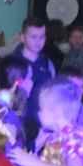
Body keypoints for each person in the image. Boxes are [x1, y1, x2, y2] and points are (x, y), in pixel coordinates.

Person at [12, 17, 56, 148]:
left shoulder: (47, 63)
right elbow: (5, 100)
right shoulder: (12, 63)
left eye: (42, 37)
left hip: (43, 127)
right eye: (33, 37)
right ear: (22, 37)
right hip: (19, 127)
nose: (38, 42)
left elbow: (53, 95)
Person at [62, 25, 83, 104]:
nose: (77, 40)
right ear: (70, 39)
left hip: (80, 91)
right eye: (74, 37)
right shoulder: (68, 53)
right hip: (67, 90)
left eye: (80, 37)